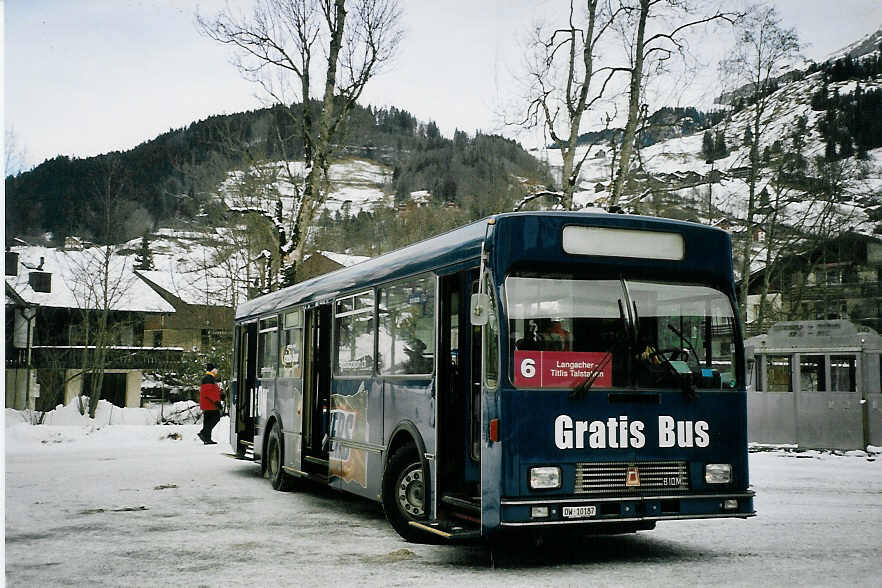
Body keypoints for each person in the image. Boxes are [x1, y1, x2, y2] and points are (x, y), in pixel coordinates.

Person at [198, 363, 222, 445]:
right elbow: (209, 392)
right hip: (210, 404)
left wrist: (220, 395)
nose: (217, 371)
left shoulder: (208, 378)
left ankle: (207, 439)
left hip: (207, 403)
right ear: (213, 370)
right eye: (216, 369)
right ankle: (204, 433)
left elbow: (211, 391)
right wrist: (216, 401)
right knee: (216, 418)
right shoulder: (209, 378)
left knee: (207, 421)